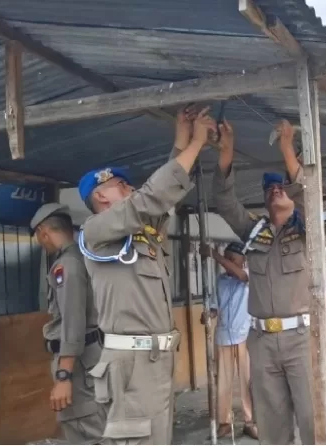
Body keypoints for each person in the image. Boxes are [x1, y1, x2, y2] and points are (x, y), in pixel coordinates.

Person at [79, 106, 215, 444]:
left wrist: (181, 140)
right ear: (100, 196)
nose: (131, 188)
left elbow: (159, 197)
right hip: (130, 363)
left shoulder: (140, 229)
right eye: (121, 185)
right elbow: (149, 199)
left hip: (156, 359)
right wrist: (196, 144)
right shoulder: (96, 230)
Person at [212, 119, 314, 444]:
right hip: (261, 340)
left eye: (282, 186)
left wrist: (287, 149)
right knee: (271, 422)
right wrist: (226, 152)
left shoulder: (307, 228)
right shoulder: (255, 231)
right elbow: (226, 203)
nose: (275, 190)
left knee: (313, 418)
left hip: (300, 338)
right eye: (270, 189)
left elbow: (310, 194)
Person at [31, 203, 106, 444]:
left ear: (44, 231)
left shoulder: (68, 265)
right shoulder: (80, 258)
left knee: (86, 431)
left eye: (39, 238)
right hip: (86, 361)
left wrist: (64, 376)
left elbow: (73, 323)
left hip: (78, 367)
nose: (41, 244)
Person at [199, 242, 258, 439]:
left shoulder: (248, 276)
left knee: (247, 381)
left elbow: (241, 275)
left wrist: (214, 255)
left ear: (243, 260)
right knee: (222, 383)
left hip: (244, 336)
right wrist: (209, 314)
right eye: (227, 259)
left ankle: (250, 421)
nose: (228, 264)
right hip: (223, 336)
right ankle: (224, 422)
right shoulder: (221, 280)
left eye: (232, 260)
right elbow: (217, 306)